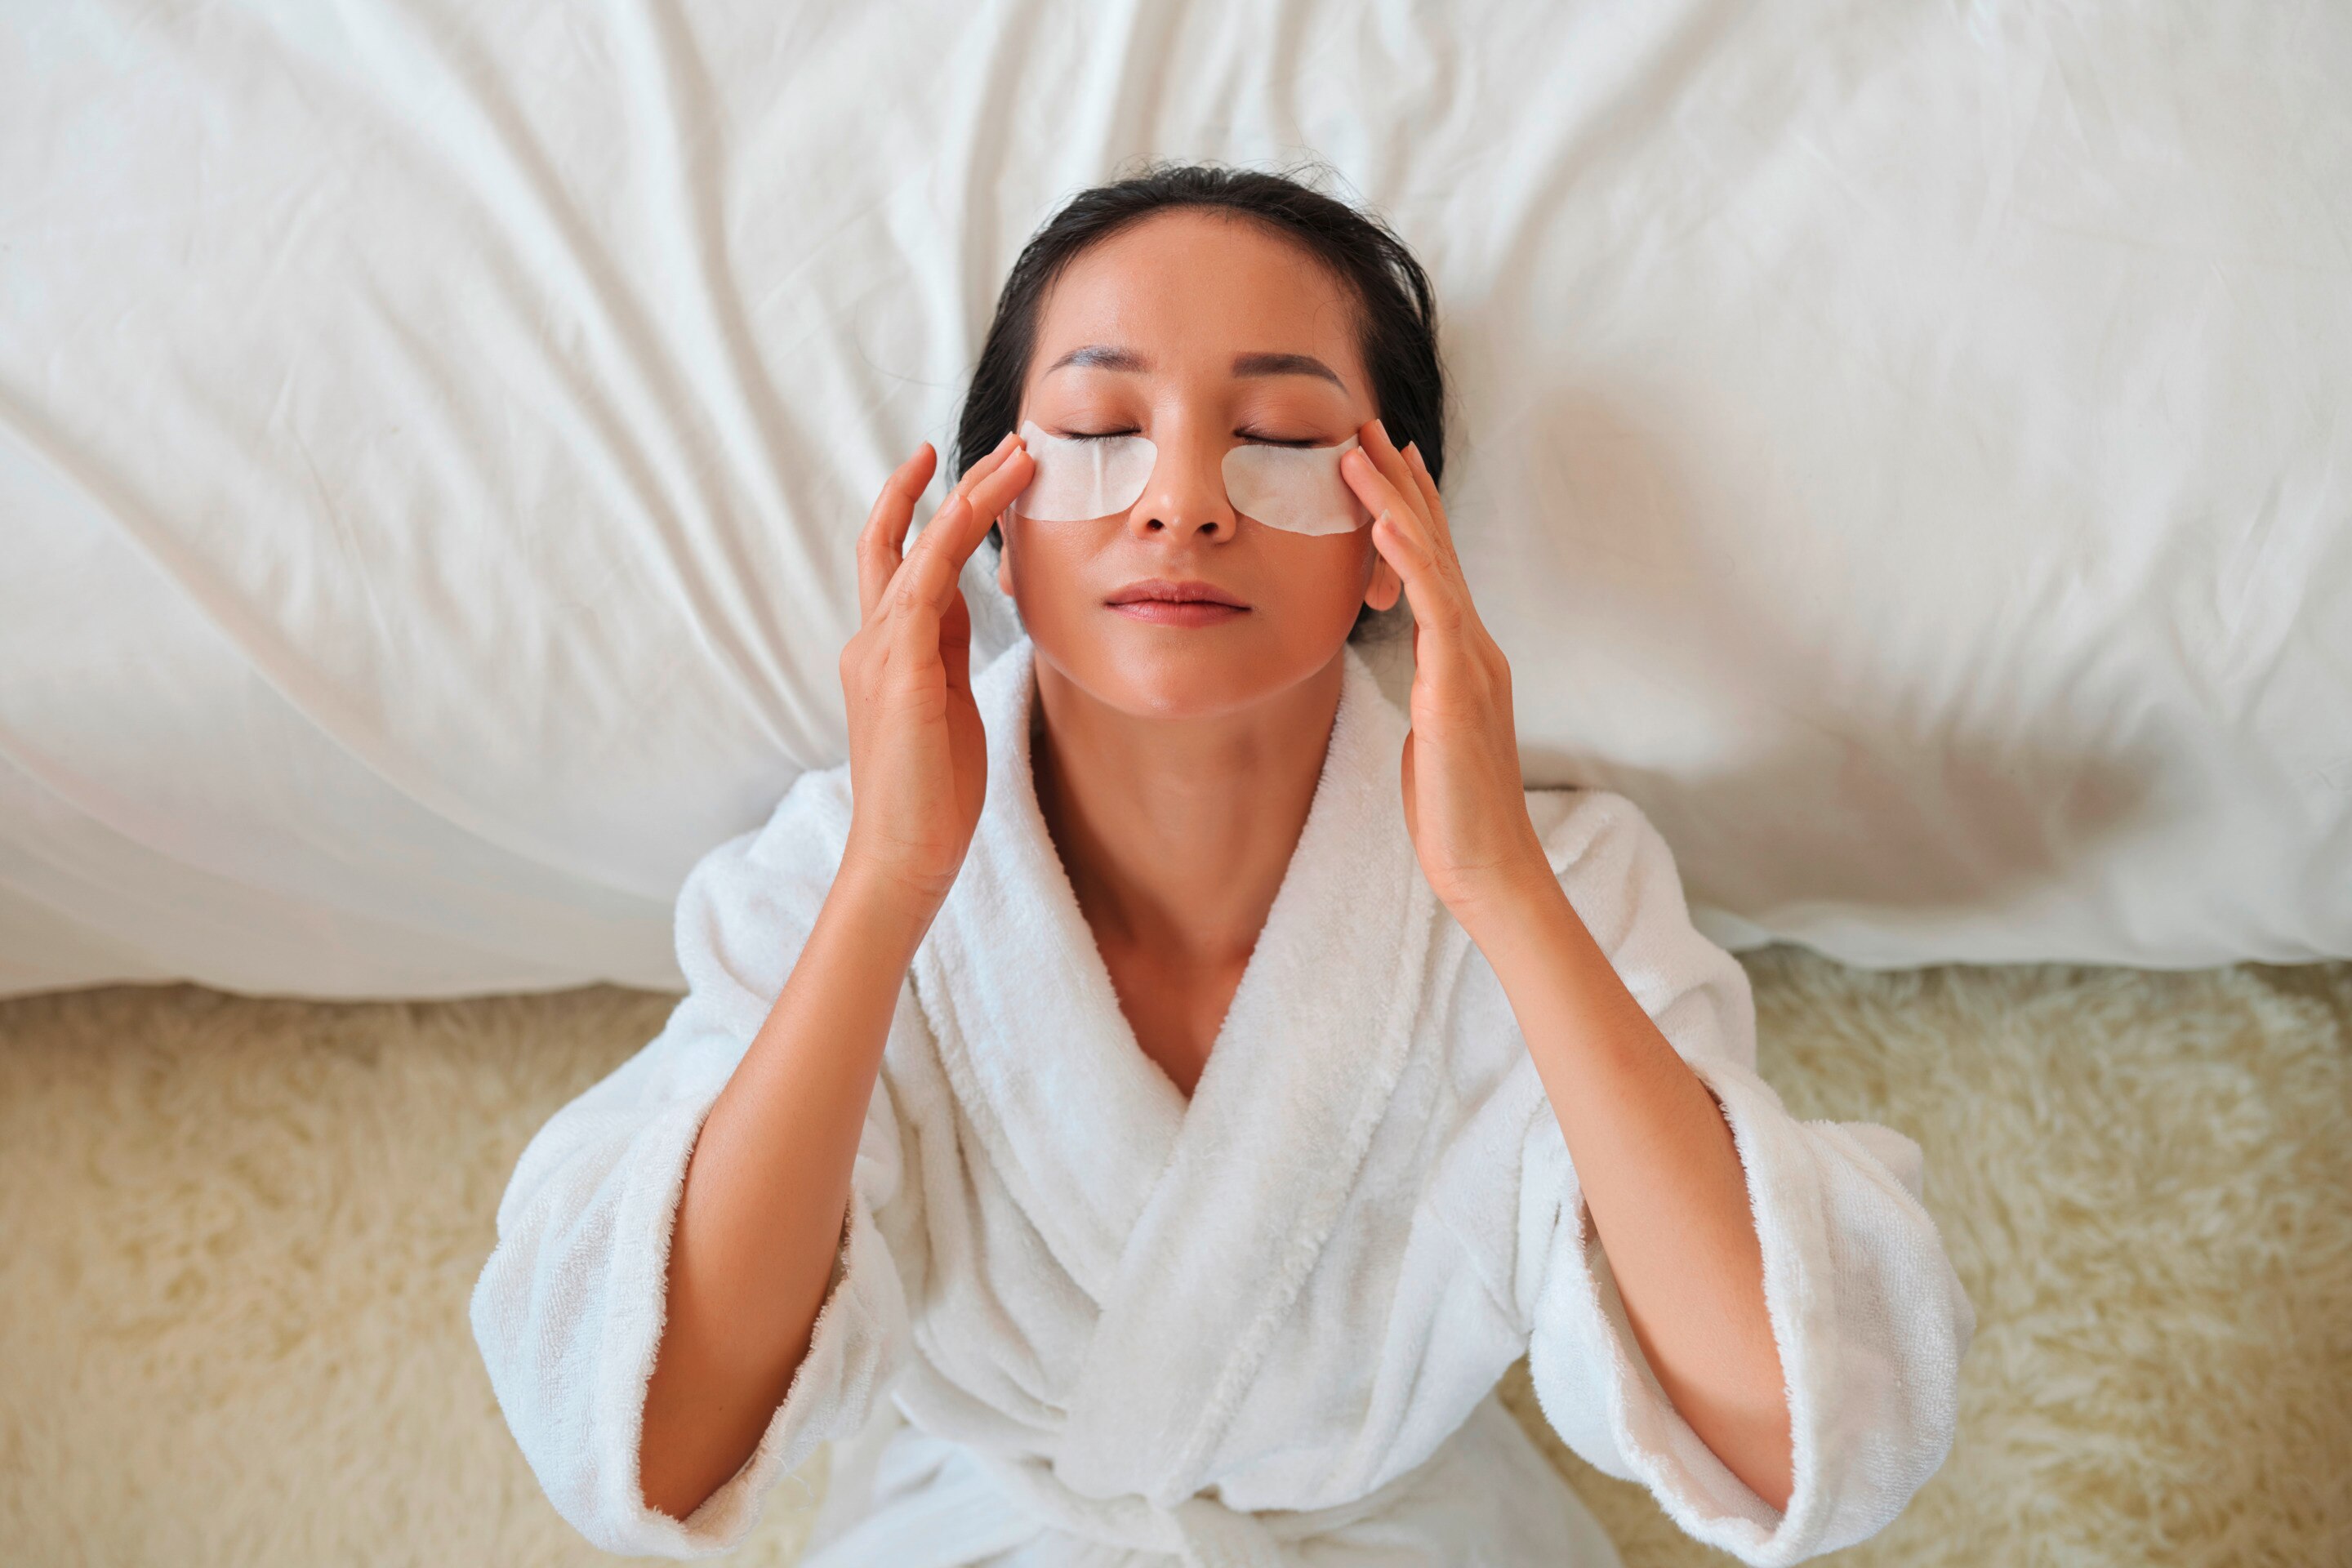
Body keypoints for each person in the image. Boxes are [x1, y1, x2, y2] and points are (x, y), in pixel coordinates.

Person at [470, 163, 1975, 1566]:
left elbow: (1808, 1442)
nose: (1181, 498)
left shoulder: (1559, 889)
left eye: (1277, 439)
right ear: (992, 527)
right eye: (1102, 429)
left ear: (1394, 540)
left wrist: (1499, 889)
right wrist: (891, 886)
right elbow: (647, 1445)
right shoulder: (828, 883)